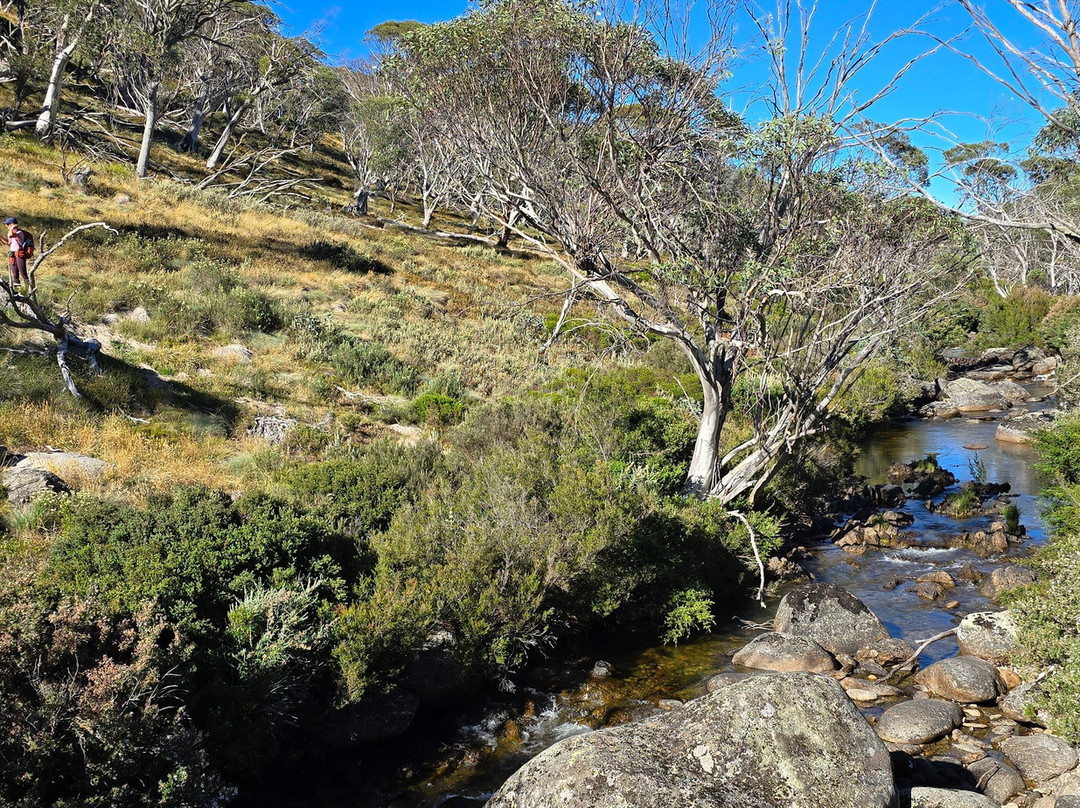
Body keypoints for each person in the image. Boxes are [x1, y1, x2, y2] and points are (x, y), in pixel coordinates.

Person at [4, 217, 30, 288]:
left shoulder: (19, 232)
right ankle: (17, 290)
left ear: (12, 224)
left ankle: (27, 289)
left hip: (19, 254)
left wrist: (12, 227)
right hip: (12, 255)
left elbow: (10, 235)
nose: (6, 226)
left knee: (23, 273)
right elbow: (8, 242)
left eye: (7, 224)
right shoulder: (12, 233)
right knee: (15, 275)